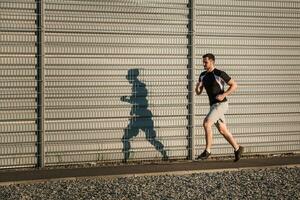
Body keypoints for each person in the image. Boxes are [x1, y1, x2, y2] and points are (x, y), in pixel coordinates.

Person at [195, 53, 244, 162]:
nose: (203, 64)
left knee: (207, 123)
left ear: (212, 62)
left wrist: (223, 95)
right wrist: (197, 87)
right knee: (222, 130)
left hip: (221, 104)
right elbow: (198, 92)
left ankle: (207, 150)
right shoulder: (202, 75)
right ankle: (237, 148)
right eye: (203, 62)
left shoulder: (219, 73)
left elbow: (234, 85)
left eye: (205, 62)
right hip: (213, 106)